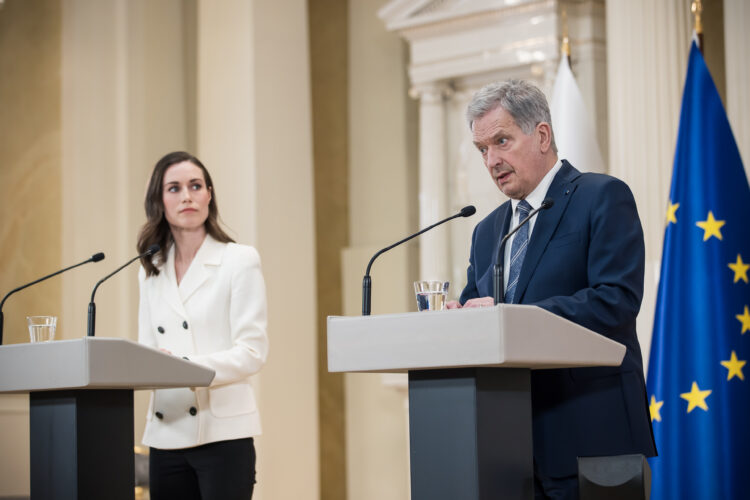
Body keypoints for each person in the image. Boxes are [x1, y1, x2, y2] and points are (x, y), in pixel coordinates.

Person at [446, 80, 656, 499]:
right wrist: (459, 319)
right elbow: (480, 311)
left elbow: (614, 300)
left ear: (541, 135)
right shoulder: (487, 232)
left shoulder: (601, 197)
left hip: (591, 441)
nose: (492, 160)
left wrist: (512, 318)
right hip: (505, 448)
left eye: (501, 141)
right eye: (482, 149)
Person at [136, 151, 268, 500]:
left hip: (224, 432)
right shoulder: (150, 269)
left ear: (209, 194)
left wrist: (186, 368)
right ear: (159, 201)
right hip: (166, 433)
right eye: (174, 188)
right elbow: (146, 349)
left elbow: (252, 352)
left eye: (195, 186)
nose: (187, 196)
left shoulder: (239, 260)